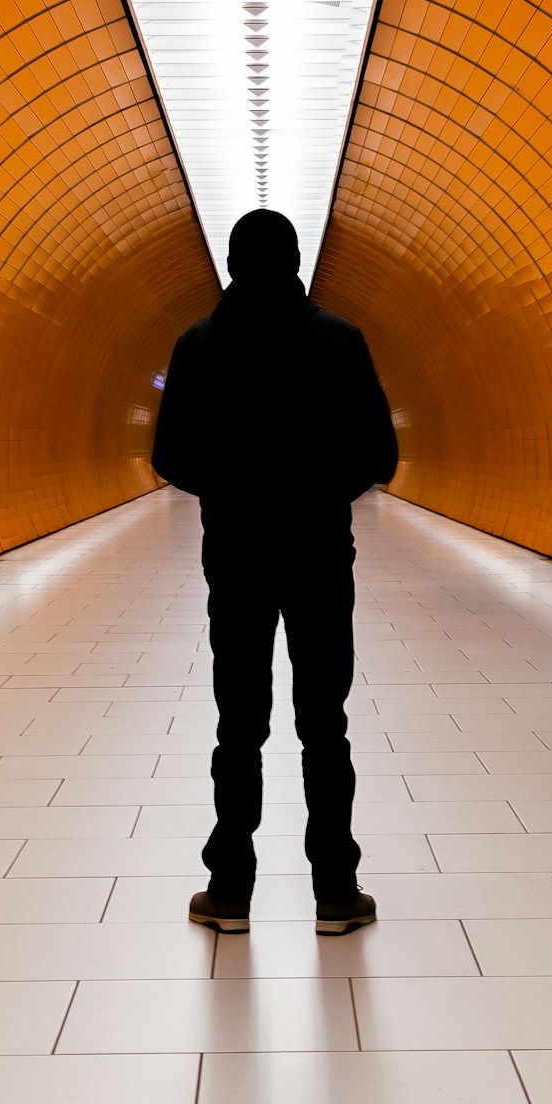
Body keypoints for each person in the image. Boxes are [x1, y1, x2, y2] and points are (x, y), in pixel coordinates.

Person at [151, 207, 399, 935]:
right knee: (325, 724)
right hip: (320, 553)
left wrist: (230, 490)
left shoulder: (197, 346)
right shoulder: (340, 340)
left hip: (236, 553)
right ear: (295, 260)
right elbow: (379, 453)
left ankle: (229, 887)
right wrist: (322, 492)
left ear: (231, 262)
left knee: (239, 725)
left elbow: (169, 454)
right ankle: (336, 889)